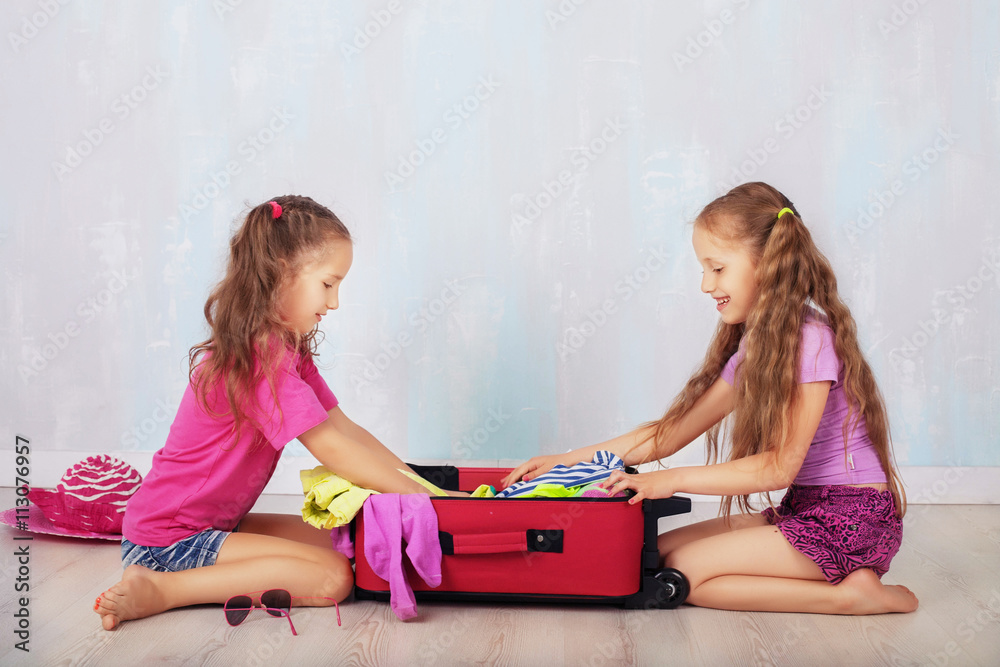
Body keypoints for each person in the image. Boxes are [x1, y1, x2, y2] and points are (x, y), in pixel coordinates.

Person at [503, 182, 918, 615]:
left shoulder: (809, 341)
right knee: (651, 554)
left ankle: (850, 596)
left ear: (767, 263)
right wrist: (565, 461)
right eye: (703, 270)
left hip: (853, 523)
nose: (705, 285)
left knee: (681, 572)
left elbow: (779, 467)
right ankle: (841, 585)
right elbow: (667, 435)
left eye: (716, 268)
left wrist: (670, 480)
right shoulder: (759, 347)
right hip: (805, 510)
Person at [96, 195, 440, 631]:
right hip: (168, 540)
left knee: (352, 540)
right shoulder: (259, 358)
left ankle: (182, 575)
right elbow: (332, 449)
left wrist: (423, 487)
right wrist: (425, 498)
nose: (335, 302)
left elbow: (346, 430)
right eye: (328, 284)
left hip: (218, 526)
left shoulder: (287, 349)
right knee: (333, 576)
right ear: (281, 273)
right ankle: (162, 589)